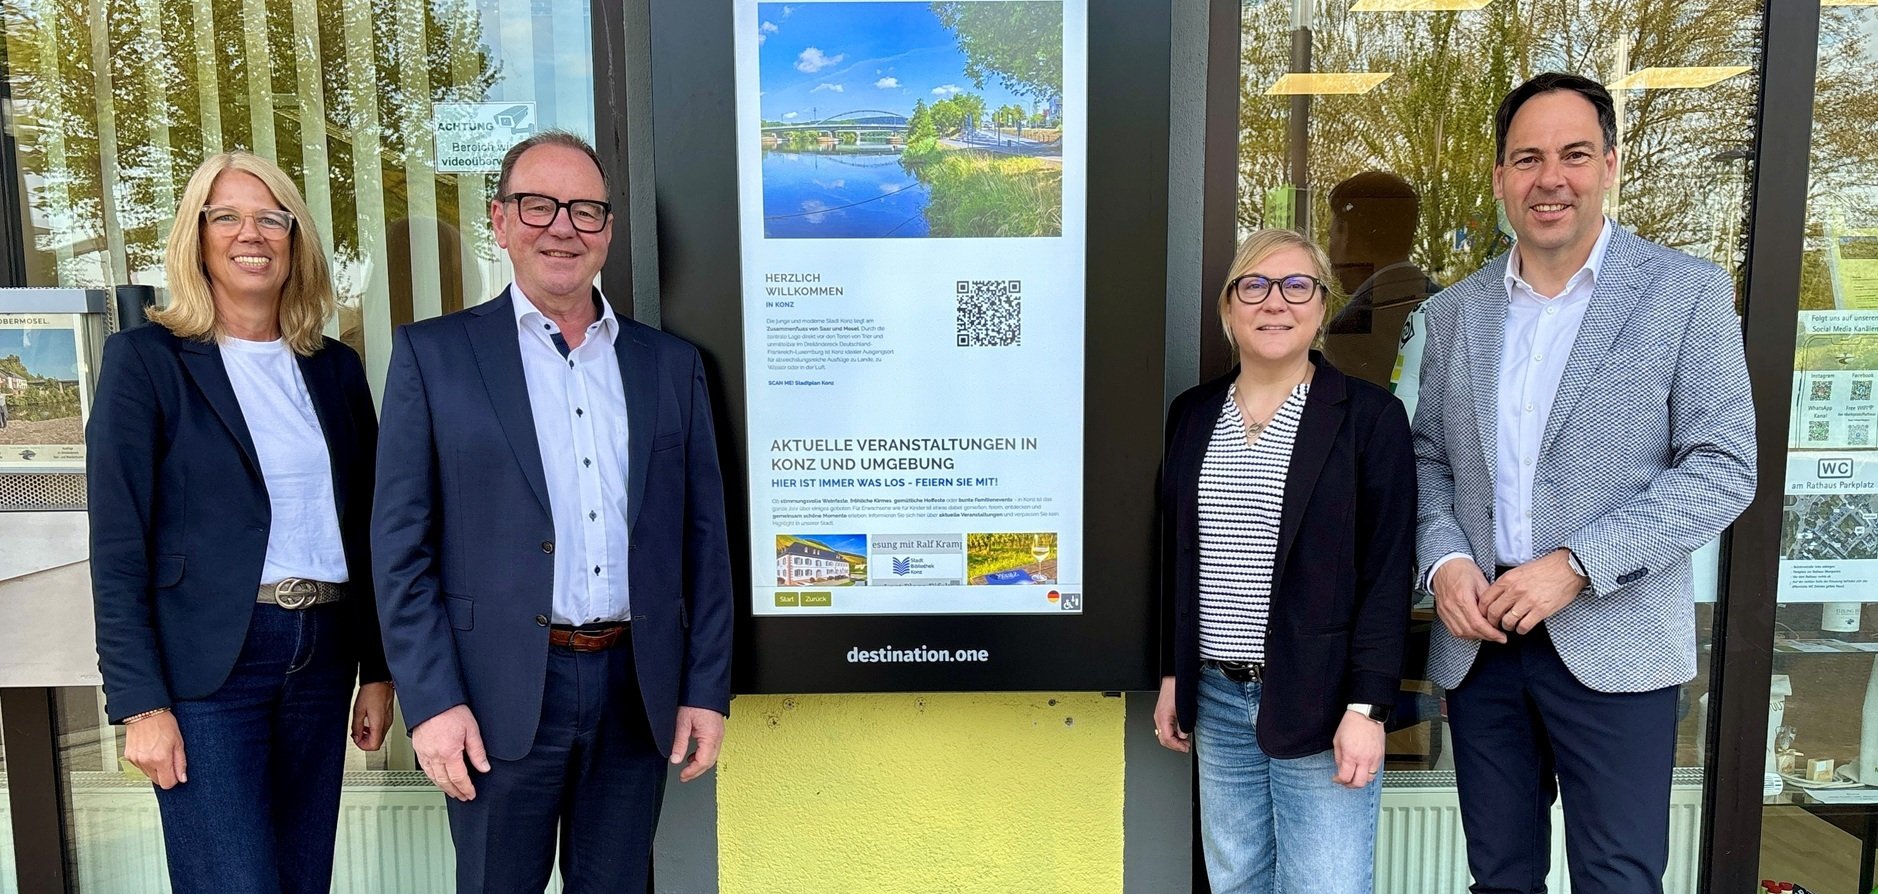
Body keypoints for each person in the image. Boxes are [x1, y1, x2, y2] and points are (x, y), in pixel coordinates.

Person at [1413, 72, 1756, 894]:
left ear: (1609, 164)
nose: (1551, 179)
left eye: (1573, 154)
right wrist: (1445, 562)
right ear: (1500, 177)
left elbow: (1723, 466)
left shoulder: (1685, 293)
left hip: (1616, 638)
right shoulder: (1455, 311)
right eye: (1528, 159)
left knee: (1618, 880)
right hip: (1483, 644)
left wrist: (1575, 566)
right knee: (1500, 877)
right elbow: (1428, 459)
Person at [372, 130, 734, 892]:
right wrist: (432, 703)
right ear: (501, 222)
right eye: (539, 205)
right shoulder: (434, 358)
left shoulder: (669, 366)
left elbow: (704, 543)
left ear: (608, 230)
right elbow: (401, 551)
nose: (563, 227)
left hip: (635, 695)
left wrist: (705, 688)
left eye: (585, 210)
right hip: (493, 700)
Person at [87, 151, 394, 893]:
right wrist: (139, 703)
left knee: (301, 878)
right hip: (210, 668)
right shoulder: (146, 362)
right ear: (197, 238)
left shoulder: (334, 368)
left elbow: (368, 528)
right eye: (225, 216)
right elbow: (119, 547)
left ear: (295, 239)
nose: (249, 234)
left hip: (322, 652)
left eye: (270, 218)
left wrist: (379, 670)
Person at [1153, 228, 1416, 893]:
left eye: (1298, 286)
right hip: (1216, 696)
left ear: (1322, 306)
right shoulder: (1193, 415)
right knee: (1236, 882)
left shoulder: (1369, 419)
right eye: (1255, 286)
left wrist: (1368, 708)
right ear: (1228, 307)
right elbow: (1176, 558)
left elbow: (1387, 574)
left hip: (1323, 702)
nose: (1275, 302)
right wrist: (1173, 673)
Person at [1323, 170, 1443, 387]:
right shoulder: (1451, 308)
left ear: (1346, 234)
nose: (1329, 253)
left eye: (1331, 236)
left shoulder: (1349, 329)